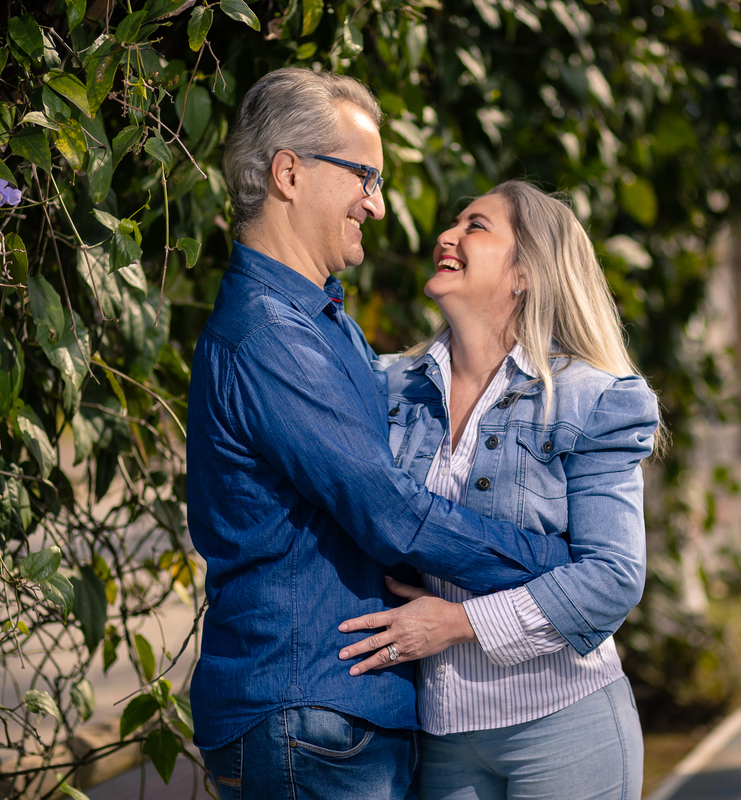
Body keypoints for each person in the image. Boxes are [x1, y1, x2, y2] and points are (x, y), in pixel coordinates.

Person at [185, 70, 573, 800]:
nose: (378, 203)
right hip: (309, 711)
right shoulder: (271, 338)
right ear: (289, 174)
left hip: (334, 713)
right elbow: (388, 509)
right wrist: (555, 564)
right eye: (364, 175)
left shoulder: (319, 322)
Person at [337, 181, 661, 799]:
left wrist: (460, 623)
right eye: (454, 222)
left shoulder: (592, 398)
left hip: (566, 726)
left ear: (525, 273)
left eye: (476, 226)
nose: (447, 236)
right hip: (440, 737)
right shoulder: (389, 387)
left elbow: (614, 576)